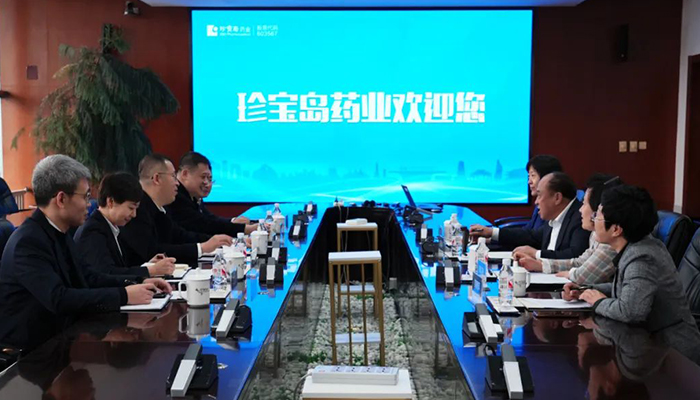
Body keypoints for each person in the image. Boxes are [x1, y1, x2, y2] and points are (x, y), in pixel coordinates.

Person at [0, 155, 171, 351]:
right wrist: (124, 295)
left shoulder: (59, 232)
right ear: (61, 199)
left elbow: (88, 277)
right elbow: (59, 299)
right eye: (85, 196)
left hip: (61, 340)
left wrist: (138, 282)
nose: (90, 204)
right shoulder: (28, 242)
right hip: (30, 355)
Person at [563, 185, 700, 359]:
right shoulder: (636, 247)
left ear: (616, 229)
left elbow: (631, 311)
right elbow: (626, 288)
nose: (593, 218)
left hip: (675, 356)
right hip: (649, 347)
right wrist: (585, 290)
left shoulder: (642, 257)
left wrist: (597, 301)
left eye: (597, 215)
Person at [118, 154, 233, 267]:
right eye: (173, 176)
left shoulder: (161, 207)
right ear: (157, 179)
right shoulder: (137, 209)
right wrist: (201, 248)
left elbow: (179, 235)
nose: (177, 182)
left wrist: (215, 242)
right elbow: (151, 252)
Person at [517, 174, 621, 284]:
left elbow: (584, 276)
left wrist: (570, 274)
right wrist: (542, 265)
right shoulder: (595, 234)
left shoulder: (610, 241)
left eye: (584, 204)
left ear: (599, 211)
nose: (580, 209)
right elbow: (580, 262)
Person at [74, 172, 176, 278]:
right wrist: (151, 270)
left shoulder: (112, 228)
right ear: (110, 202)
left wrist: (148, 265)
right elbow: (105, 274)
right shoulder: (93, 231)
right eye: (131, 208)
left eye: (136, 209)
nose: (134, 214)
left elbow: (121, 269)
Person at [470, 172, 589, 259]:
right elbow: (531, 236)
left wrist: (536, 254)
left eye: (539, 196)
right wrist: (491, 232)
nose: (536, 202)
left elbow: (575, 255)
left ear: (557, 198)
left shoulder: (580, 218)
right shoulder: (554, 218)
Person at [166, 151, 257, 236]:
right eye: (203, 177)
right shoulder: (175, 196)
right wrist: (245, 229)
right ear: (185, 174)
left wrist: (232, 221)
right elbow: (203, 225)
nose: (207, 184)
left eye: (210, 179)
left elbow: (209, 218)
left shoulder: (193, 194)